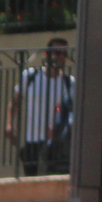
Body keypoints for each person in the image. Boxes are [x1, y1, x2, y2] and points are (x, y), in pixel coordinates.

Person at [5, 38, 74, 177]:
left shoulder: (69, 83)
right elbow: (15, 103)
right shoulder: (30, 76)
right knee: (31, 181)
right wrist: (9, 125)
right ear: (46, 54)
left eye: (64, 53)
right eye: (57, 52)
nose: (60, 57)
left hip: (57, 144)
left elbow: (72, 112)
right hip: (33, 141)